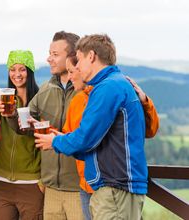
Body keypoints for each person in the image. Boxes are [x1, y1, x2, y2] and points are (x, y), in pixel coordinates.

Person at [35, 34, 149, 220]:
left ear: (91, 56)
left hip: (114, 189)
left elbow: (85, 138)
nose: (77, 66)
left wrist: (55, 141)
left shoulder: (108, 88)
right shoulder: (114, 83)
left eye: (79, 60)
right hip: (116, 187)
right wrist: (62, 138)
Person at [63, 55, 159, 220]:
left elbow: (150, 130)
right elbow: (71, 137)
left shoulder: (111, 90)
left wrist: (145, 102)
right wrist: (55, 138)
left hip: (113, 184)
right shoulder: (77, 101)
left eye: (73, 70)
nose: (70, 77)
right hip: (90, 182)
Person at [28, 31, 84, 219]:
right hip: (51, 187)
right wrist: (12, 115)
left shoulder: (86, 92)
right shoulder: (46, 88)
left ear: (72, 57)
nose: (49, 59)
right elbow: (25, 124)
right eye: (49, 53)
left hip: (79, 188)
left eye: (55, 54)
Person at [0, 50, 43, 220]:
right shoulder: (4, 98)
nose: (17, 74)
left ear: (30, 71)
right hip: (0, 181)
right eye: (12, 69)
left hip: (31, 183)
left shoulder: (40, 100)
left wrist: (42, 181)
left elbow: (36, 134)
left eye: (22, 69)